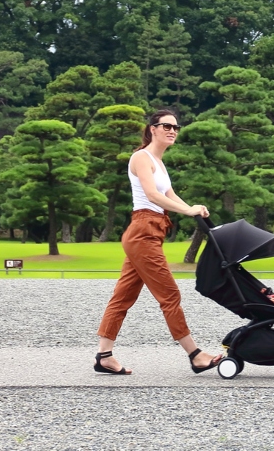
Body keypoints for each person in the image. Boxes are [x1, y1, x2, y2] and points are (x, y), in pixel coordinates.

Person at [94, 109, 222, 375]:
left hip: (151, 231)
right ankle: (195, 354)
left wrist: (194, 208)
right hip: (143, 230)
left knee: (123, 295)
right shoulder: (141, 157)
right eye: (166, 126)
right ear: (152, 129)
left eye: (176, 127)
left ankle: (104, 356)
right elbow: (152, 195)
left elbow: (169, 194)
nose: (172, 131)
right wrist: (186, 211)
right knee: (170, 294)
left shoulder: (159, 162)